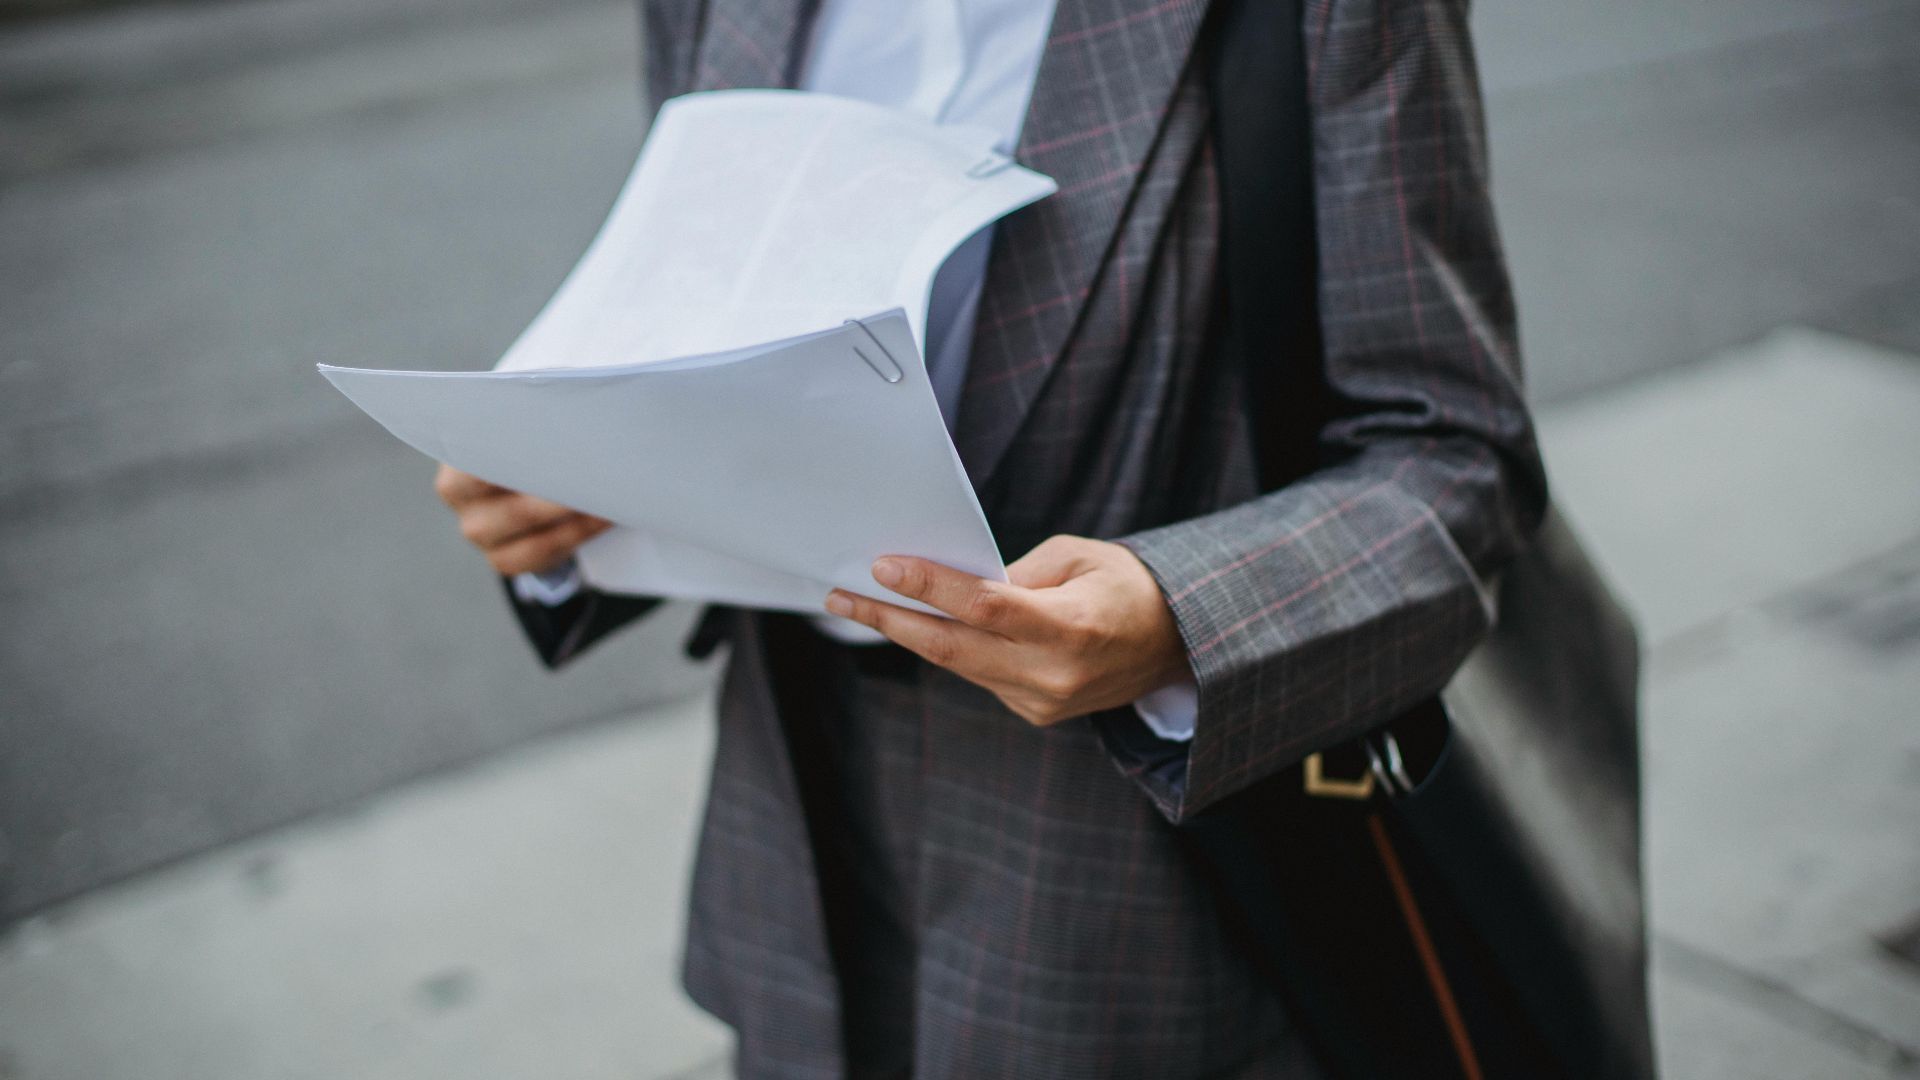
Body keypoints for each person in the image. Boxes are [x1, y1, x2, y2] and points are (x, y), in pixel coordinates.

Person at [434, 0, 1586, 1075]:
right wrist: (563, 492)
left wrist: (1183, 617)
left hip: (1152, 921)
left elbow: (1455, 451)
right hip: (793, 874)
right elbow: (697, 311)